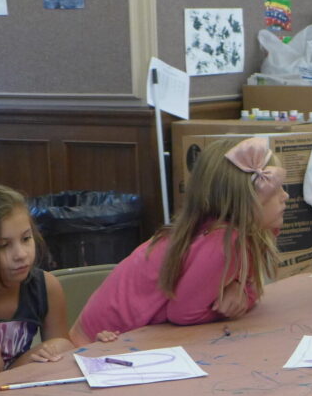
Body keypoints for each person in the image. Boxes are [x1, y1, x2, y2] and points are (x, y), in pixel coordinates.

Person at [71, 137, 288, 344]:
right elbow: (184, 314)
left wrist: (241, 289)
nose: (285, 196)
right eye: (275, 190)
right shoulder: (224, 241)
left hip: (116, 336)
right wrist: (234, 304)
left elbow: (246, 285)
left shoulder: (229, 231)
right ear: (245, 202)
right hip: (100, 343)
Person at [0, 184, 76, 372]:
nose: (21, 254)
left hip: (16, 382)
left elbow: (63, 353)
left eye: (25, 239)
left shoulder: (45, 286)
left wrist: (45, 355)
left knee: (62, 346)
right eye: (3, 245)